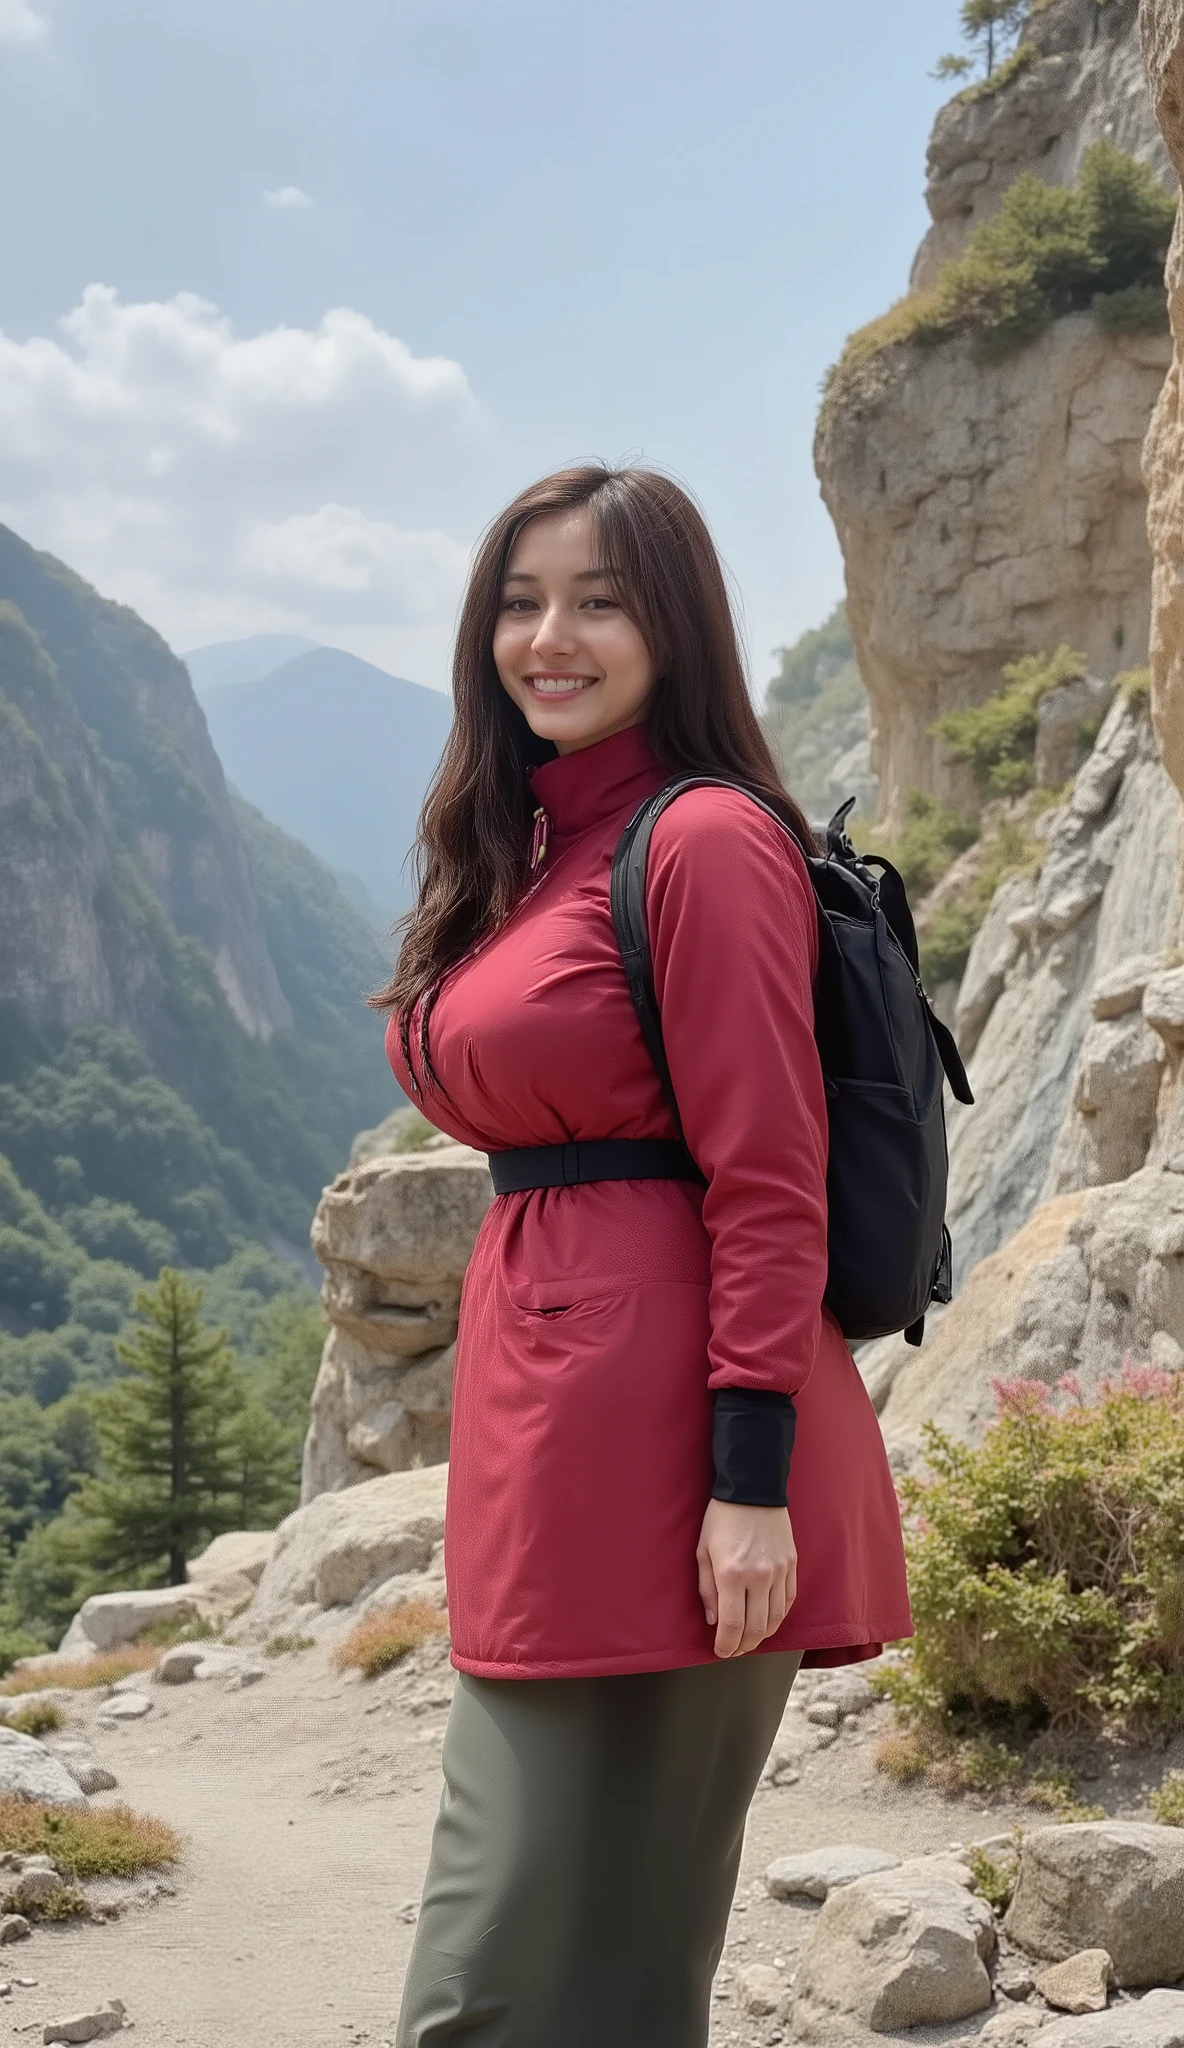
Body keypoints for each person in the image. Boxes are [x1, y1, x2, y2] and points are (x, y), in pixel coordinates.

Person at [376, 463, 911, 2047]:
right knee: (587, 1965)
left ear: (673, 628)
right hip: (556, 1413)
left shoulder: (704, 842)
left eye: (600, 600)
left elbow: (769, 1175)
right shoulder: (532, 845)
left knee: (533, 1967)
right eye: (521, 602)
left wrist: (749, 1482)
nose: (552, 635)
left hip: (684, 1446)